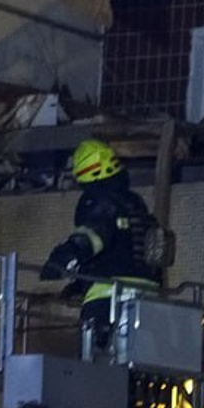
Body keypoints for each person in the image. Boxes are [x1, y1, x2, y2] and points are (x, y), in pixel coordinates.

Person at [39, 138, 164, 354]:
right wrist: (79, 284)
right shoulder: (134, 203)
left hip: (109, 300)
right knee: (141, 366)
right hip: (149, 299)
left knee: (97, 364)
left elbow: (94, 237)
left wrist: (60, 260)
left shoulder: (98, 200)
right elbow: (122, 249)